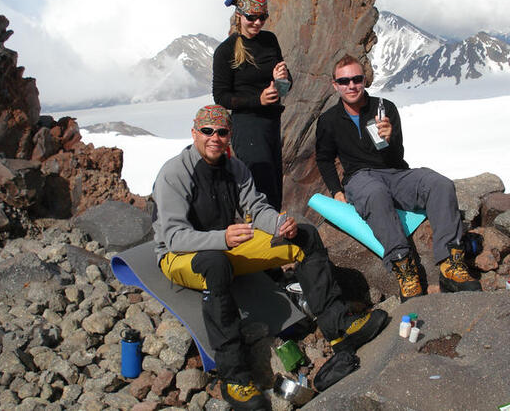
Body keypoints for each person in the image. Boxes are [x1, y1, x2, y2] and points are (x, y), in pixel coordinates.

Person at [152, 105, 387, 410]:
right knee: (216, 263)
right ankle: (234, 378)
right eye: (207, 131)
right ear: (194, 133)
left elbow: (257, 208)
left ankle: (341, 329)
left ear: (229, 136)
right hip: (179, 257)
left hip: (224, 244)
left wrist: (279, 224)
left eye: (222, 132)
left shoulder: (235, 168)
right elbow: (173, 237)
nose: (215, 138)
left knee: (304, 235)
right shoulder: (175, 172)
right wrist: (222, 239)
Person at [315, 55, 481, 302]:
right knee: (374, 193)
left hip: (395, 173)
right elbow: (324, 159)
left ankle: (451, 265)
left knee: (440, 184)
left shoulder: (385, 108)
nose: (351, 85)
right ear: (335, 84)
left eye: (357, 79)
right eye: (344, 80)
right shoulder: (328, 120)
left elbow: (397, 156)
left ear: (364, 81)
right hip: (359, 178)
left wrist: (390, 139)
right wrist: (336, 191)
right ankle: (405, 269)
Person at [212, 0, 291, 211]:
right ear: (239, 15)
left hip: (272, 123)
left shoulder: (269, 40)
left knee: (274, 183)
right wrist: (259, 100)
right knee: (261, 184)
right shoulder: (225, 51)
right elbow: (221, 96)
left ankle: (271, 237)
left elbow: (285, 86)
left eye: (262, 17)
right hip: (247, 125)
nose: (257, 23)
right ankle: (264, 235)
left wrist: (281, 81)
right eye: (251, 17)